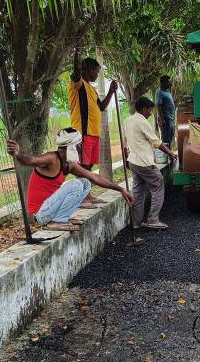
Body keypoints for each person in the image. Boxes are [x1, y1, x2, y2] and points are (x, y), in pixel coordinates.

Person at [7, 128, 133, 232]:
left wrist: (121, 189)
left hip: (50, 208)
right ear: (72, 146)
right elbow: (30, 160)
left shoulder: (70, 164)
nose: (80, 148)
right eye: (79, 145)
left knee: (85, 183)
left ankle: (62, 217)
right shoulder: (51, 158)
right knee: (76, 184)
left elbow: (95, 177)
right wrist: (17, 153)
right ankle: (58, 220)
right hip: (40, 213)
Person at [69, 47, 117, 204]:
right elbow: (76, 71)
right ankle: (82, 197)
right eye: (95, 71)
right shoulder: (78, 84)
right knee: (82, 166)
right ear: (87, 69)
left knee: (88, 166)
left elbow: (101, 107)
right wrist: (77, 51)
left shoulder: (92, 89)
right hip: (82, 132)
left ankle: (86, 194)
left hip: (93, 133)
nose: (97, 74)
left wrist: (110, 91)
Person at [123, 97, 177, 230]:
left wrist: (126, 159)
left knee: (138, 192)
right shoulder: (142, 122)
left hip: (134, 161)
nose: (150, 113)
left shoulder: (127, 121)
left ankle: (136, 222)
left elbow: (124, 142)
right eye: (149, 110)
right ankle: (153, 219)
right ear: (143, 109)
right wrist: (170, 153)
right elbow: (156, 142)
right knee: (158, 184)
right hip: (144, 161)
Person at [155, 75, 176, 147]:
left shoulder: (167, 91)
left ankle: (169, 154)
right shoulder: (159, 92)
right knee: (166, 139)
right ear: (163, 82)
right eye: (168, 82)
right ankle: (166, 156)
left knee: (170, 136)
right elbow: (158, 106)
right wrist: (161, 118)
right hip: (165, 118)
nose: (169, 83)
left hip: (170, 118)